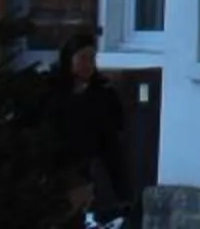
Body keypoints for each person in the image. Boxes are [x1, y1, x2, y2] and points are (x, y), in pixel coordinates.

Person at [55, 31, 139, 229]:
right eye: (83, 58)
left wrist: (123, 192)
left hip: (90, 169)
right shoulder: (54, 91)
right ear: (69, 60)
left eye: (92, 58)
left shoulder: (102, 93)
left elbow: (112, 142)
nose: (88, 64)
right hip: (56, 167)